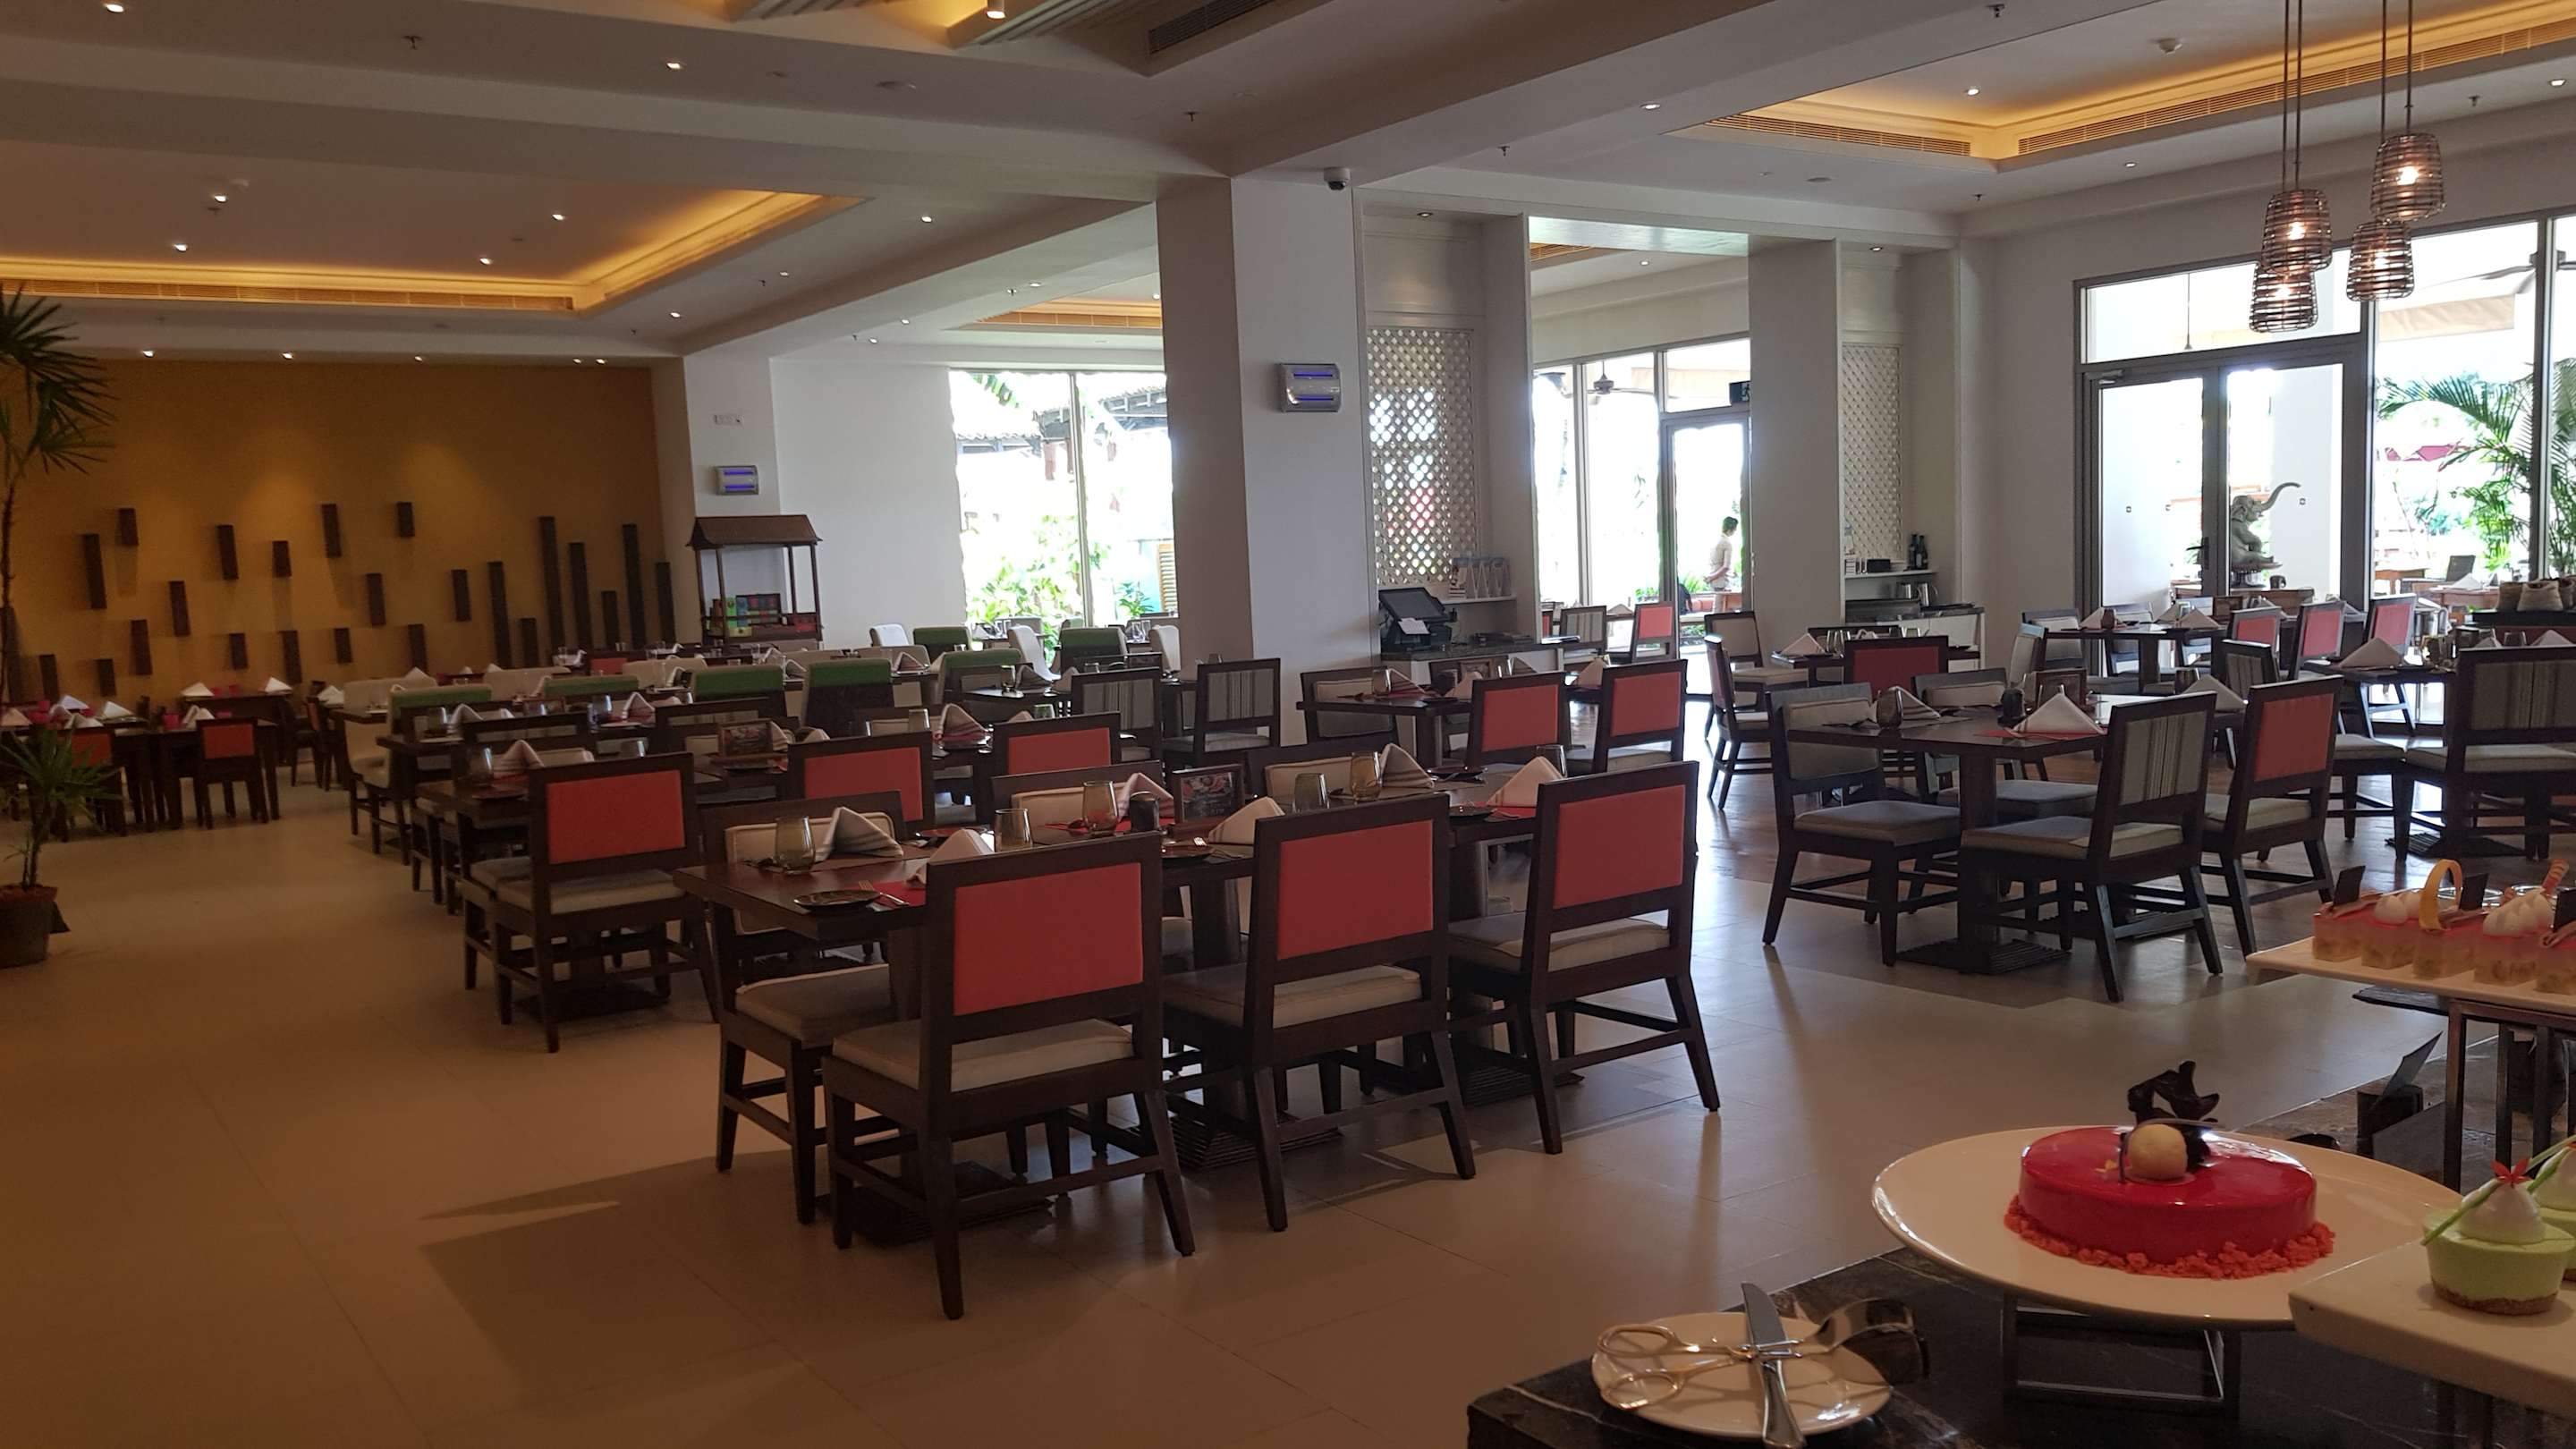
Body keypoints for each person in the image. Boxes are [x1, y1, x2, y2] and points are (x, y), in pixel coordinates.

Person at [1706, 516, 1740, 594]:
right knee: (1721, 601)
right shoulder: (1727, 543)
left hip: (1713, 581)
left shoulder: (1716, 541)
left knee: (1716, 601)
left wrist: (1711, 577)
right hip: (1722, 582)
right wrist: (1711, 577)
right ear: (1732, 529)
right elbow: (1726, 567)